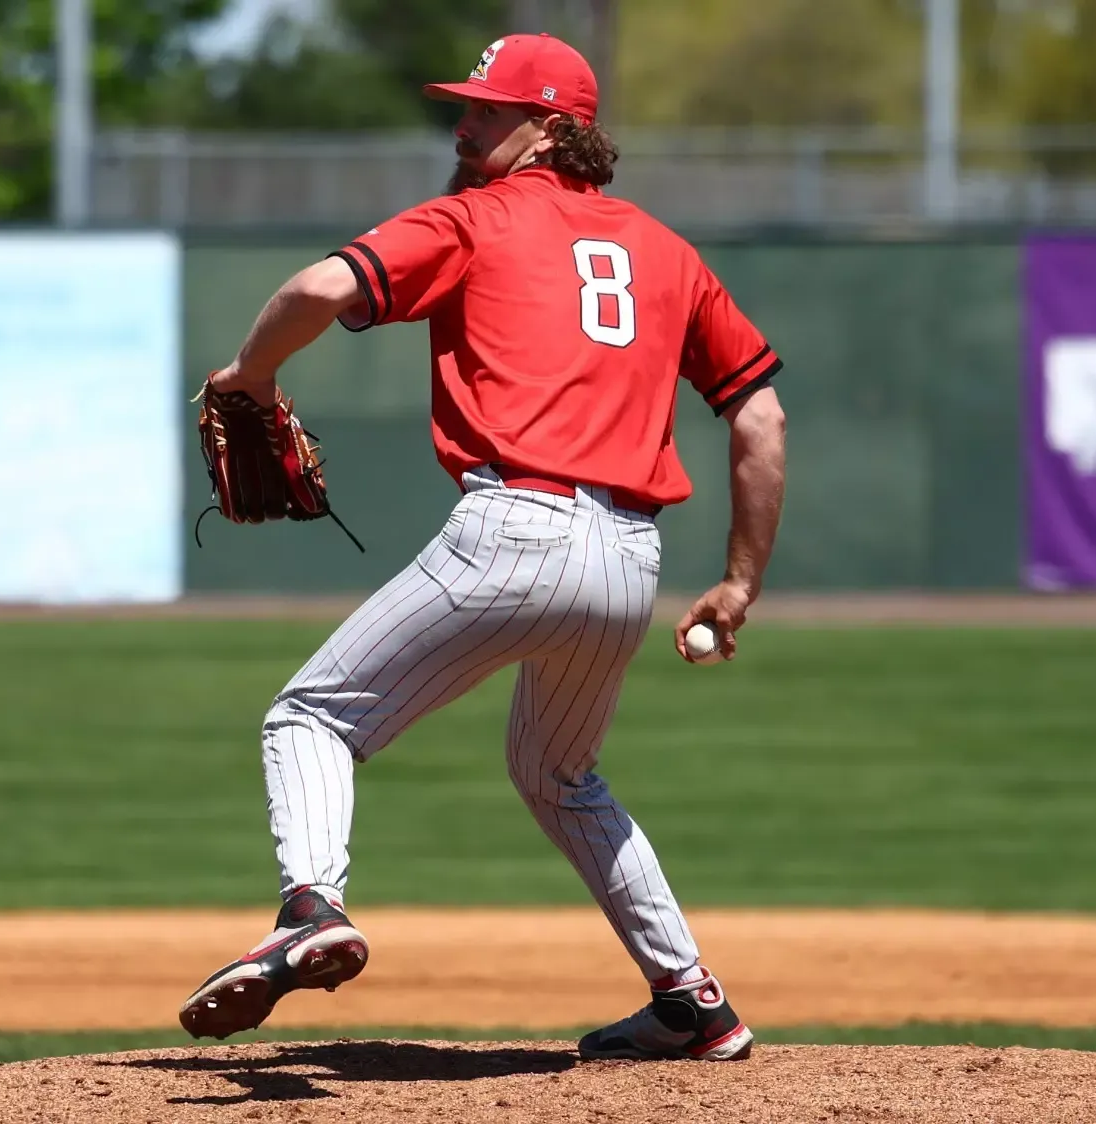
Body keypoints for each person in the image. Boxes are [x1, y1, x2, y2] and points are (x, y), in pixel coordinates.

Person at [175, 32, 787, 1063]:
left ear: (551, 128)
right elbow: (758, 416)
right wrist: (735, 579)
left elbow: (322, 288)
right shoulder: (666, 251)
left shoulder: (470, 218)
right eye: (466, 107)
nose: (464, 126)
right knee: (559, 773)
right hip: (627, 558)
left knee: (312, 715)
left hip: (514, 529)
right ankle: (691, 998)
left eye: (488, 111)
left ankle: (310, 907)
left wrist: (249, 378)